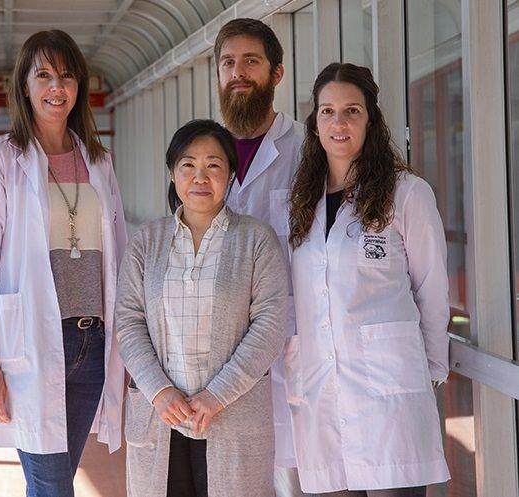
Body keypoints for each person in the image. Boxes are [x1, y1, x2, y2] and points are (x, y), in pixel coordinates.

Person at [0, 30, 128, 497]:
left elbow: (120, 253)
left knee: (55, 482)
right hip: (31, 343)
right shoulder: (0, 159)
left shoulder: (99, 161)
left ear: (79, 87)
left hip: (93, 343)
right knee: (53, 485)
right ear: (25, 86)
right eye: (44, 76)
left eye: (67, 76)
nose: (57, 87)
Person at [283, 62, 451, 496]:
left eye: (352, 111)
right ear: (315, 123)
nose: (338, 123)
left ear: (371, 120)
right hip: (320, 393)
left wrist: (432, 369)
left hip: (391, 399)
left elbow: (432, 288)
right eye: (327, 111)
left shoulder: (406, 193)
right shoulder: (301, 201)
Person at [116, 119, 289, 497]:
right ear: (172, 173)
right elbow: (129, 322)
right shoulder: (146, 242)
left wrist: (218, 394)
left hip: (234, 415)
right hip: (161, 416)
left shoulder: (257, 240)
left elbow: (271, 324)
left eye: (213, 165)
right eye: (188, 165)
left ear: (230, 175)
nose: (200, 177)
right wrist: (159, 391)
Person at [214, 17, 308, 496]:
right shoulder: (204, 152)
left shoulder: (307, 149)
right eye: (228, 62)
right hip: (221, 343)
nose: (238, 72)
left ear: (276, 73)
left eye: (251, 61)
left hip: (293, 342)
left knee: (296, 477)